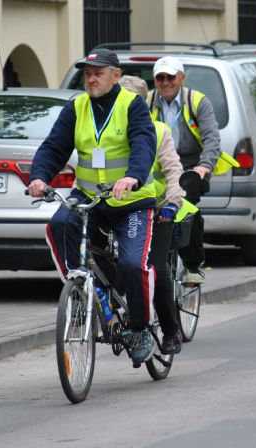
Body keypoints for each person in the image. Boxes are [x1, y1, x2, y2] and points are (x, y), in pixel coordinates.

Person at [28, 49, 158, 364]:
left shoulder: (132, 105)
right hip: (90, 196)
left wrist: (132, 177)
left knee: (131, 264)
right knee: (58, 224)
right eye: (87, 72)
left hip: (131, 200)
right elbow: (53, 147)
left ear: (115, 75)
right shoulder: (77, 107)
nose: (91, 78)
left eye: (98, 72)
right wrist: (39, 177)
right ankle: (81, 288)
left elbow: (144, 142)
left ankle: (140, 327)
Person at [119, 75, 188, 355]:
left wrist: (171, 204)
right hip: (116, 209)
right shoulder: (108, 130)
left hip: (156, 211)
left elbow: (174, 172)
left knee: (156, 268)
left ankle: (171, 330)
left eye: (131, 101)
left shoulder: (158, 131)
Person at [147, 56, 221, 284]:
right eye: (160, 77)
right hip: (159, 167)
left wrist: (204, 166)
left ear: (182, 78)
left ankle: (193, 264)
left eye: (171, 76)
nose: (166, 82)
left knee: (188, 212)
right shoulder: (147, 101)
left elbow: (212, 139)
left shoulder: (197, 101)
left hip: (190, 168)